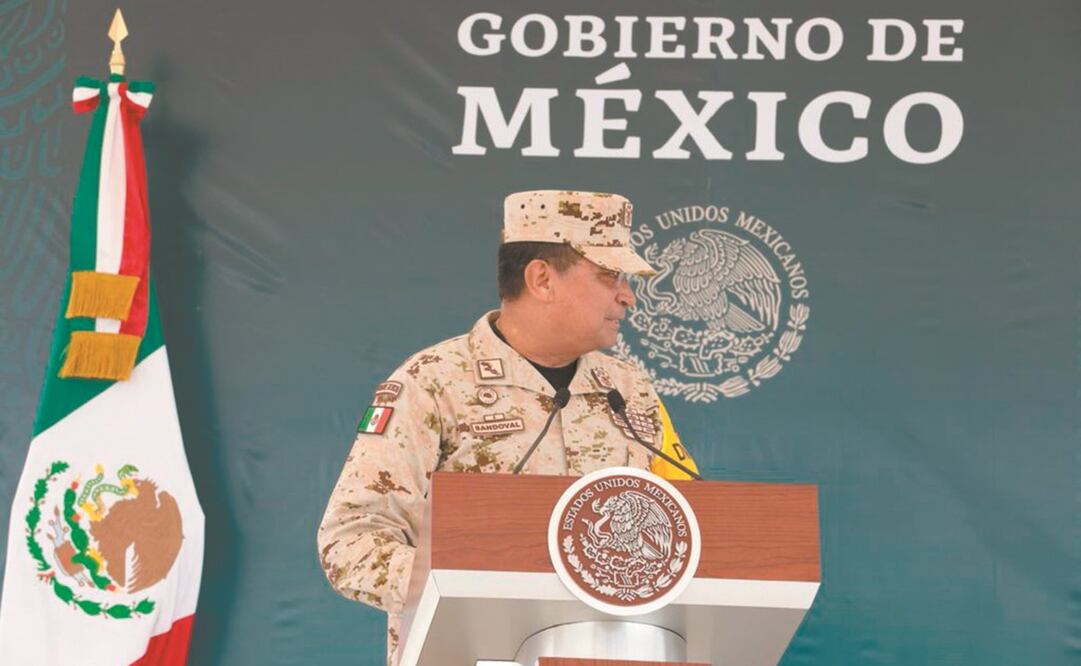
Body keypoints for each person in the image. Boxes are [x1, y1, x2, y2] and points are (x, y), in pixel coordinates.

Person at [317, 190, 699, 664]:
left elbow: (687, 525)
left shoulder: (629, 389)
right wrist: (464, 587)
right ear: (542, 279)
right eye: (609, 276)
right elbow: (349, 542)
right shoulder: (432, 382)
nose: (627, 295)